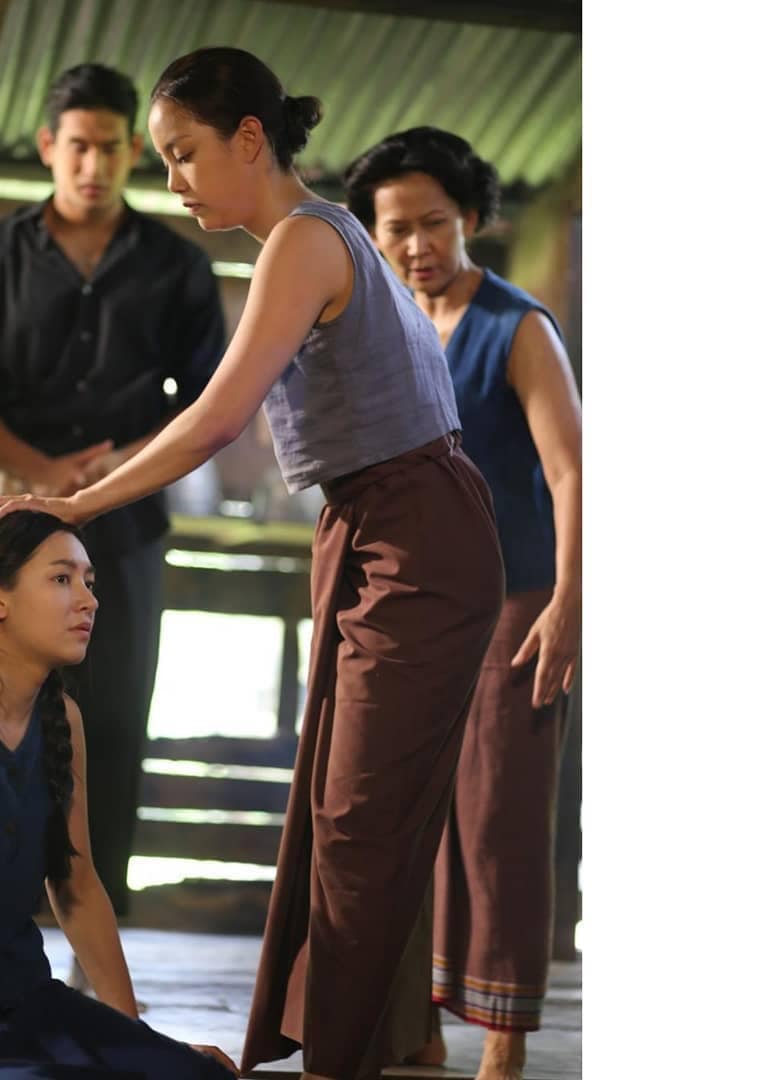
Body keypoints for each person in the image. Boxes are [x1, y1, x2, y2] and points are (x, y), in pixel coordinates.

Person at [0, 47, 505, 1080]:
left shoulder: (307, 239)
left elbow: (219, 416)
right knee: (341, 810)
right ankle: (366, 1042)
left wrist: (77, 503)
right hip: (375, 523)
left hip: (419, 532)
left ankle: (342, 1059)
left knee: (359, 819)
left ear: (250, 139)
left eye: (184, 152)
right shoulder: (308, 239)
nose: (172, 178)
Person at [0, 62, 226, 951]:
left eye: (111, 147)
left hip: (126, 523)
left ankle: (101, 923)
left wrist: (119, 470)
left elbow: (210, 399)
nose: (94, 165)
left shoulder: (177, 265)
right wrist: (40, 475)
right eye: (79, 146)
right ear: (49, 146)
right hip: (9, 522)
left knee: (117, 714)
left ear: (134, 149)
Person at [343, 126, 582, 1080]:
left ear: (471, 217)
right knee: (409, 819)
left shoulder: (519, 328)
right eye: (395, 229)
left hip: (516, 604)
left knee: (499, 823)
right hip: (410, 614)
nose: (416, 246)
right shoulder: (382, 333)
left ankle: (506, 1041)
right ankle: (419, 1026)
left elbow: (573, 472)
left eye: (435, 223)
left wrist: (571, 602)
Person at [0, 509, 237, 1077]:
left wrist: (132, 1039)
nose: (88, 600)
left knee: (191, 1072)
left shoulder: (64, 719)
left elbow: (77, 888)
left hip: (19, 1005)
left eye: (89, 582)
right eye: (62, 578)